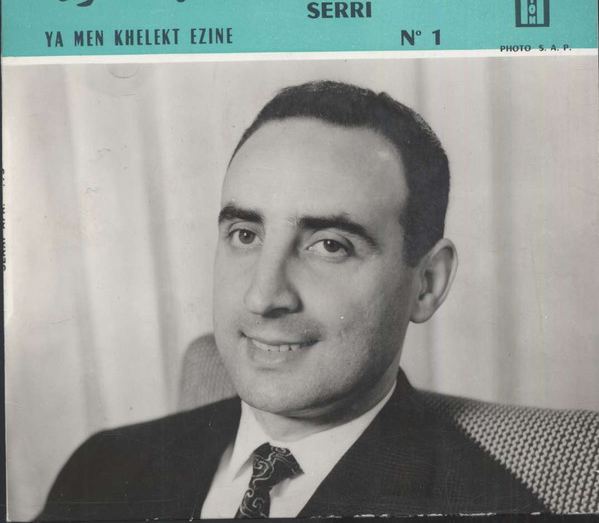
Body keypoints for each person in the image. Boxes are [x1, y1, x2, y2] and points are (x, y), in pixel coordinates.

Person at [39, 81, 544, 521]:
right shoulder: (102, 469)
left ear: (427, 283)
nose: (262, 296)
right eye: (245, 234)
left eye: (330, 245)